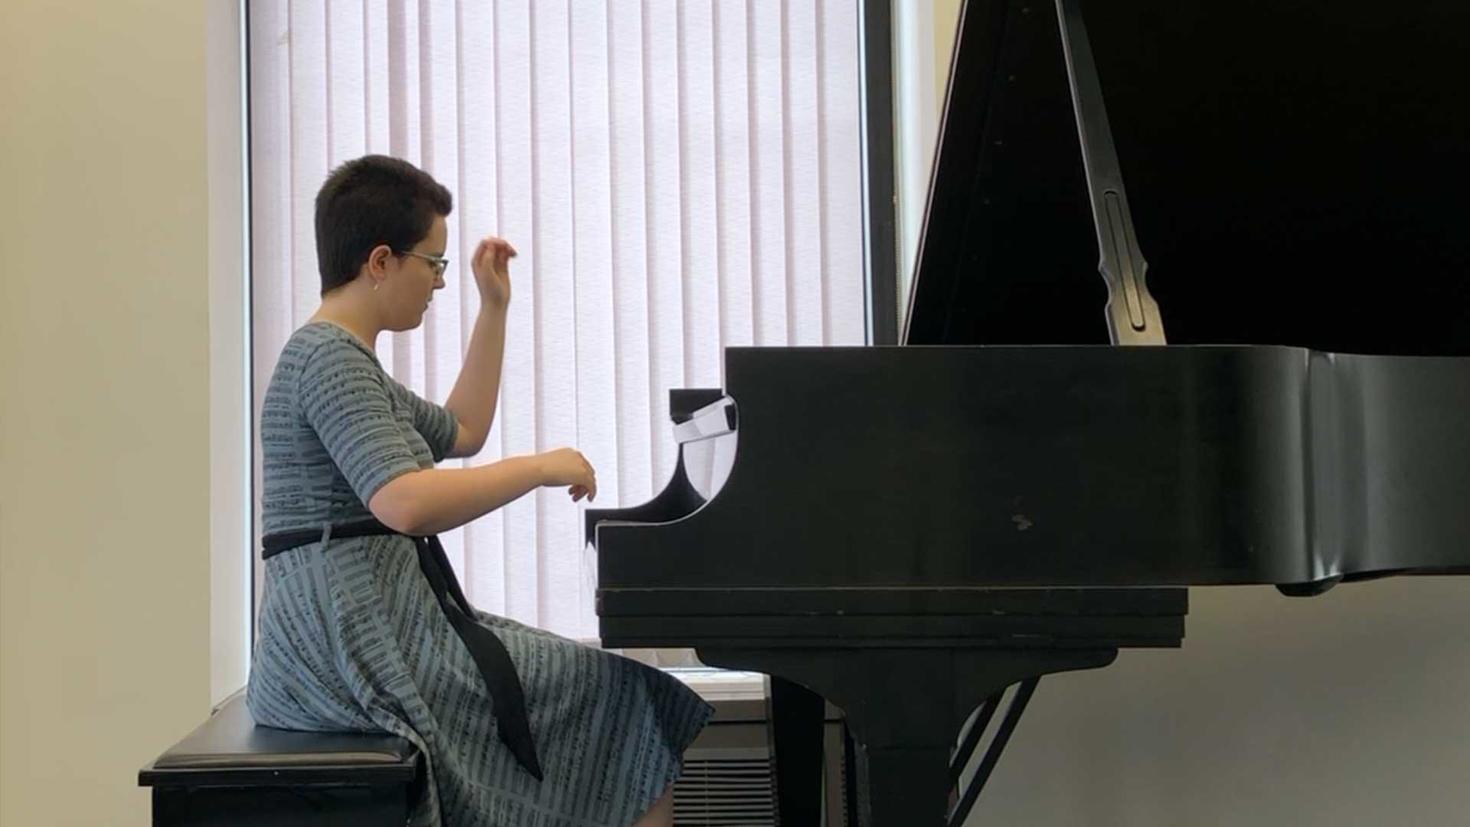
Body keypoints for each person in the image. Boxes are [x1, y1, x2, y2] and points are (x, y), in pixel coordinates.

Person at [246, 154, 712, 827]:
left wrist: (492, 306)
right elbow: (404, 502)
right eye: (431, 265)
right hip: (343, 644)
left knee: (616, 698)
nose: (438, 284)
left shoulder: (349, 363)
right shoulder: (326, 358)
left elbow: (463, 429)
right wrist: (540, 468)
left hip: (377, 621)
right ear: (380, 261)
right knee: (626, 701)